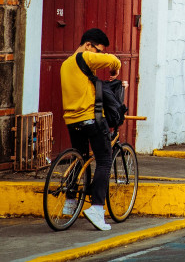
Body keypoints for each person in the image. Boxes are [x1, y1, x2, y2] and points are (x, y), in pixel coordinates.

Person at [59, 28, 122, 231]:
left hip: (71, 121)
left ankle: (70, 203)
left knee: (80, 158)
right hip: (91, 120)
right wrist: (114, 69)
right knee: (104, 160)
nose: (99, 55)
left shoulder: (65, 64)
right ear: (88, 45)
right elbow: (114, 60)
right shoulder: (85, 57)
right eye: (98, 51)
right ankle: (96, 208)